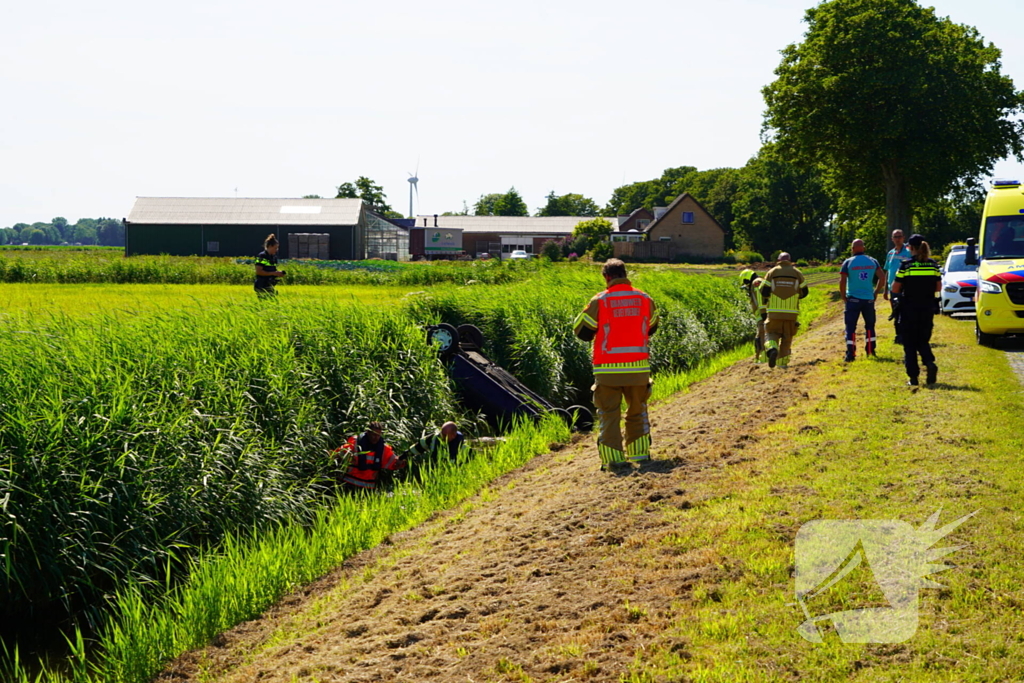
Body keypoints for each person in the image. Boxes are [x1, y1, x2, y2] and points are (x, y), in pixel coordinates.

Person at [573, 259, 659, 470]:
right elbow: (653, 327)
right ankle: (640, 456)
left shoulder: (600, 300)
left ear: (606, 277)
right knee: (637, 411)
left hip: (608, 370)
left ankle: (614, 461)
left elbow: (581, 330)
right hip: (638, 368)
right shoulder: (644, 298)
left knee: (609, 416)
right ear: (624, 274)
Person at [890, 234, 941, 387]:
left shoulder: (906, 265)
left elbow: (895, 287)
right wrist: (933, 300)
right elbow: (938, 287)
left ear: (909, 247)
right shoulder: (933, 265)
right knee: (922, 340)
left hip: (909, 309)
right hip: (927, 308)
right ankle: (929, 363)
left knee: (909, 343)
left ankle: (913, 377)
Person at [839, 239, 885, 361]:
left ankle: (851, 354)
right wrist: (875, 292)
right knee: (870, 326)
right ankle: (870, 350)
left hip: (853, 299)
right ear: (863, 248)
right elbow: (882, 278)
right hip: (868, 299)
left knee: (850, 327)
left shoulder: (848, 262)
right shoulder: (872, 261)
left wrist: (843, 295)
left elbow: (842, 281)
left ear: (853, 249)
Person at [760, 252, 808, 369]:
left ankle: (772, 349)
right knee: (787, 338)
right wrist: (795, 296)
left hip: (774, 312)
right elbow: (805, 291)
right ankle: (782, 365)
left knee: (771, 334)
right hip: (791, 314)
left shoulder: (772, 272)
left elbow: (764, 291)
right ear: (790, 260)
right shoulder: (797, 273)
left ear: (778, 260)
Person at [335, 421, 407, 490]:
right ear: (368, 432)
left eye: (378, 435)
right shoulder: (355, 442)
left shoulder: (384, 448)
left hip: (368, 486)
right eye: (374, 434)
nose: (375, 438)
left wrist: (400, 461)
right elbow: (337, 454)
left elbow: (394, 462)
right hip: (349, 482)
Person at [884, 230, 911, 343]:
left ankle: (905, 335)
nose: (897, 239)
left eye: (899, 236)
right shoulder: (891, 253)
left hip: (905, 287)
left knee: (904, 312)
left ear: (903, 238)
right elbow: (887, 271)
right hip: (892, 288)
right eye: (895, 237)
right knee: (896, 312)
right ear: (892, 239)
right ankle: (898, 334)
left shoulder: (909, 252)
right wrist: (885, 289)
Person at [740, 269, 767, 363]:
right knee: (759, 336)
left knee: (762, 335)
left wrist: (763, 313)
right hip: (761, 314)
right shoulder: (758, 281)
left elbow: (760, 298)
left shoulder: (757, 282)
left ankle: (764, 357)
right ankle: (759, 356)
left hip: (762, 314)